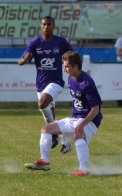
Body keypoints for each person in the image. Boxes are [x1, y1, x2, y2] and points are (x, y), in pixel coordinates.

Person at [24, 51, 103, 176]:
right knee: (46, 128)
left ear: (75, 66)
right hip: (75, 118)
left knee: (78, 134)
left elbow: (96, 109)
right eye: (64, 66)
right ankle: (44, 161)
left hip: (91, 120)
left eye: (67, 66)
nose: (65, 69)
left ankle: (83, 169)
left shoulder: (87, 82)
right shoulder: (71, 79)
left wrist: (82, 125)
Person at [18, 16, 73, 154]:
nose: (46, 27)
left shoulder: (60, 42)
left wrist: (70, 69)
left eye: (49, 24)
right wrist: (25, 59)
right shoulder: (35, 42)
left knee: (42, 104)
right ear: (41, 26)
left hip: (56, 82)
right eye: (44, 24)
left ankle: (55, 135)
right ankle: (65, 141)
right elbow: (21, 60)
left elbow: (72, 55)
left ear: (53, 26)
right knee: (49, 116)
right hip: (41, 84)